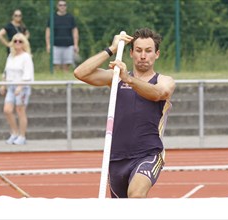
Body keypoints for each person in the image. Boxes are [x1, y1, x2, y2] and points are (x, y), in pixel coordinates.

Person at [74, 28, 175, 198]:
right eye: (139, 50)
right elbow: (80, 73)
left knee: (135, 195)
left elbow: (160, 93)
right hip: (115, 157)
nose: (143, 56)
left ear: (156, 54)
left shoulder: (164, 80)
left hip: (148, 153)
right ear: (131, 53)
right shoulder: (116, 78)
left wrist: (129, 79)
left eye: (148, 51)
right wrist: (112, 49)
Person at [0, 33, 34, 145]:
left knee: (20, 110)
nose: (17, 43)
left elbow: (27, 74)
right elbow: (6, 71)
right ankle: (14, 132)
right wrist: (3, 84)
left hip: (22, 86)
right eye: (15, 41)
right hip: (11, 85)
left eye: (20, 41)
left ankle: (22, 135)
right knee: (7, 110)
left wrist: (20, 86)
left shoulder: (26, 57)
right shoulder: (11, 56)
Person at [45, 0, 79, 72]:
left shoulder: (70, 17)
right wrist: (48, 45)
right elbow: (48, 31)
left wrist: (76, 45)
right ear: (57, 6)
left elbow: (75, 31)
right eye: (60, 5)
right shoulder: (52, 17)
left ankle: (65, 79)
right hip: (55, 45)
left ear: (66, 6)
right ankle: (55, 80)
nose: (62, 7)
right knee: (55, 65)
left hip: (68, 45)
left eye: (64, 5)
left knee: (66, 66)